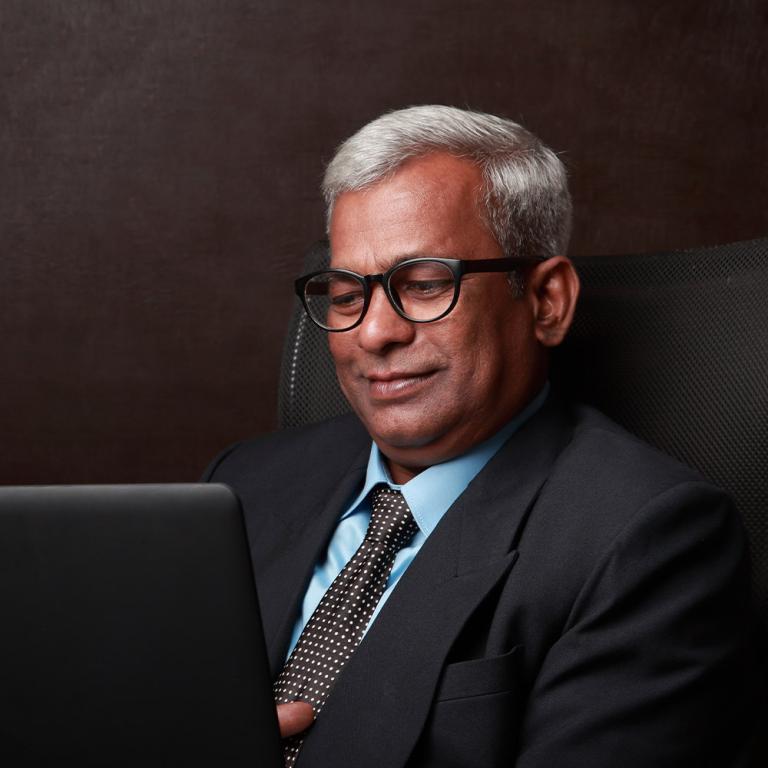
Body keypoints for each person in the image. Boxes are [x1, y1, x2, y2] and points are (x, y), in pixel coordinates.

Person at [204, 106, 757, 767]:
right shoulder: (242, 485)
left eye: (427, 283)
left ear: (547, 301)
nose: (374, 333)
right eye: (348, 294)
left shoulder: (649, 540)